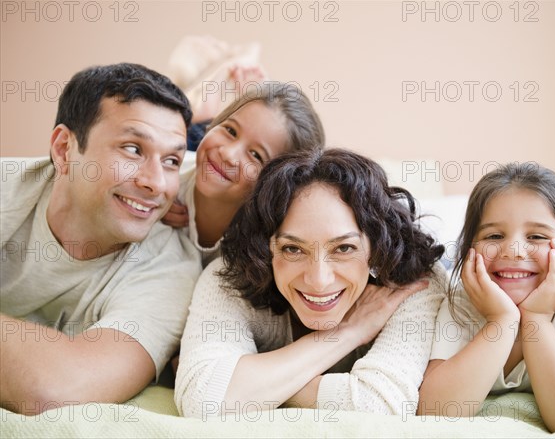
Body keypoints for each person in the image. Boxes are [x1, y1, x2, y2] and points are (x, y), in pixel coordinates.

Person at [174, 148, 448, 417]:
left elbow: (381, 405)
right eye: (293, 249)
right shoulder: (232, 277)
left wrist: (255, 386)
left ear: (377, 245)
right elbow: (204, 399)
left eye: (343, 249)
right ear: (265, 248)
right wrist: (349, 332)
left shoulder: (414, 282)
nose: (318, 280)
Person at [0, 63, 201, 415]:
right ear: (64, 149)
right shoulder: (9, 191)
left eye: (171, 160)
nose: (156, 183)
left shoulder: (170, 270)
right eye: (133, 149)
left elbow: (55, 389)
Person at [418, 163, 555, 432]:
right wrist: (500, 321)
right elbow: (437, 411)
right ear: (468, 253)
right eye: (494, 235)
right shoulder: (461, 305)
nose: (513, 250)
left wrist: (537, 318)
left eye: (537, 236)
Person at [163, 81, 325, 267]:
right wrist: (148, 203)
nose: (228, 154)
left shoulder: (269, 244)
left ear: (274, 187)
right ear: (213, 125)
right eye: (230, 130)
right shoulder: (161, 175)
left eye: (256, 155)